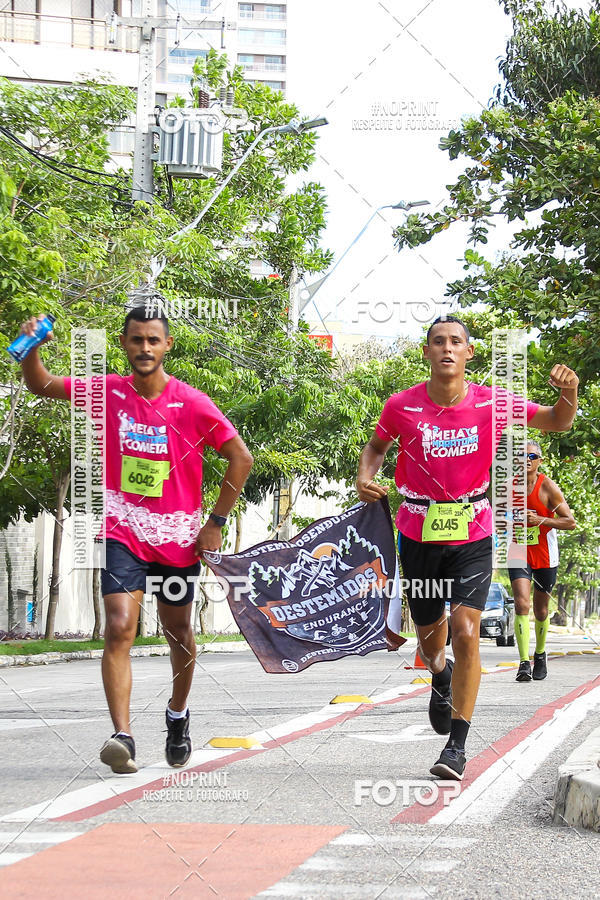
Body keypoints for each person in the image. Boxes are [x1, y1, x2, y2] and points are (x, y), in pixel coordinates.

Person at [19, 308, 253, 773]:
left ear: (167, 346)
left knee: (178, 632)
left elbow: (240, 458)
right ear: (124, 344)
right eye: (136, 340)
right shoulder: (108, 392)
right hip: (122, 530)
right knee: (119, 625)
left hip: (175, 538)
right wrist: (31, 349)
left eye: (153, 340)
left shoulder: (192, 403)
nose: (145, 348)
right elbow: (42, 384)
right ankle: (122, 736)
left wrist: (216, 522)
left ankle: (178, 714)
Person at [355, 315, 578, 781]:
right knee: (430, 641)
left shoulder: (493, 402)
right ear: (426, 352)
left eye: (456, 341)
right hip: (417, 531)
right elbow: (376, 448)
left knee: (466, 628)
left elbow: (557, 421)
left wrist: (569, 392)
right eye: (438, 341)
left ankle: (456, 746)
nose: (447, 348)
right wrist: (364, 477)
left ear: (469, 352)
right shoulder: (401, 405)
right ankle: (440, 674)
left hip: (473, 530)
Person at [508, 440, 575, 682]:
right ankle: (523, 662)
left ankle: (540, 653)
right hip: (518, 551)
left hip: (545, 554)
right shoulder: (508, 487)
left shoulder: (548, 487)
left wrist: (541, 520)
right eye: (521, 456)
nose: (526, 460)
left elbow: (570, 522)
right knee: (521, 604)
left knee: (541, 609)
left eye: (531, 456)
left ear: (540, 461)